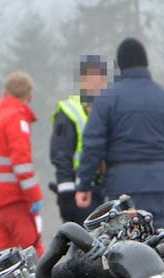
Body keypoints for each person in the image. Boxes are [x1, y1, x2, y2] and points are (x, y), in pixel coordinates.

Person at [74, 38, 164, 231]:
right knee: (159, 248)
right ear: (146, 63)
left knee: (123, 250)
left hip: (120, 184)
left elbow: (92, 145)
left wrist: (84, 185)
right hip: (160, 184)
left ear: (120, 65)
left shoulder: (106, 101)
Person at [0, 72, 44, 255]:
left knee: (2, 257)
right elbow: (22, 162)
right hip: (15, 200)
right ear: (29, 95)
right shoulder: (16, 118)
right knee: (33, 252)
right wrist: (34, 196)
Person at [50, 56, 108, 225]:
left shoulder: (109, 108)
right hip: (80, 189)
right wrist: (66, 191)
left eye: (102, 79)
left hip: (106, 187)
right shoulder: (70, 111)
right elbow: (61, 153)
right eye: (93, 78)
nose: (98, 84)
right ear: (82, 80)